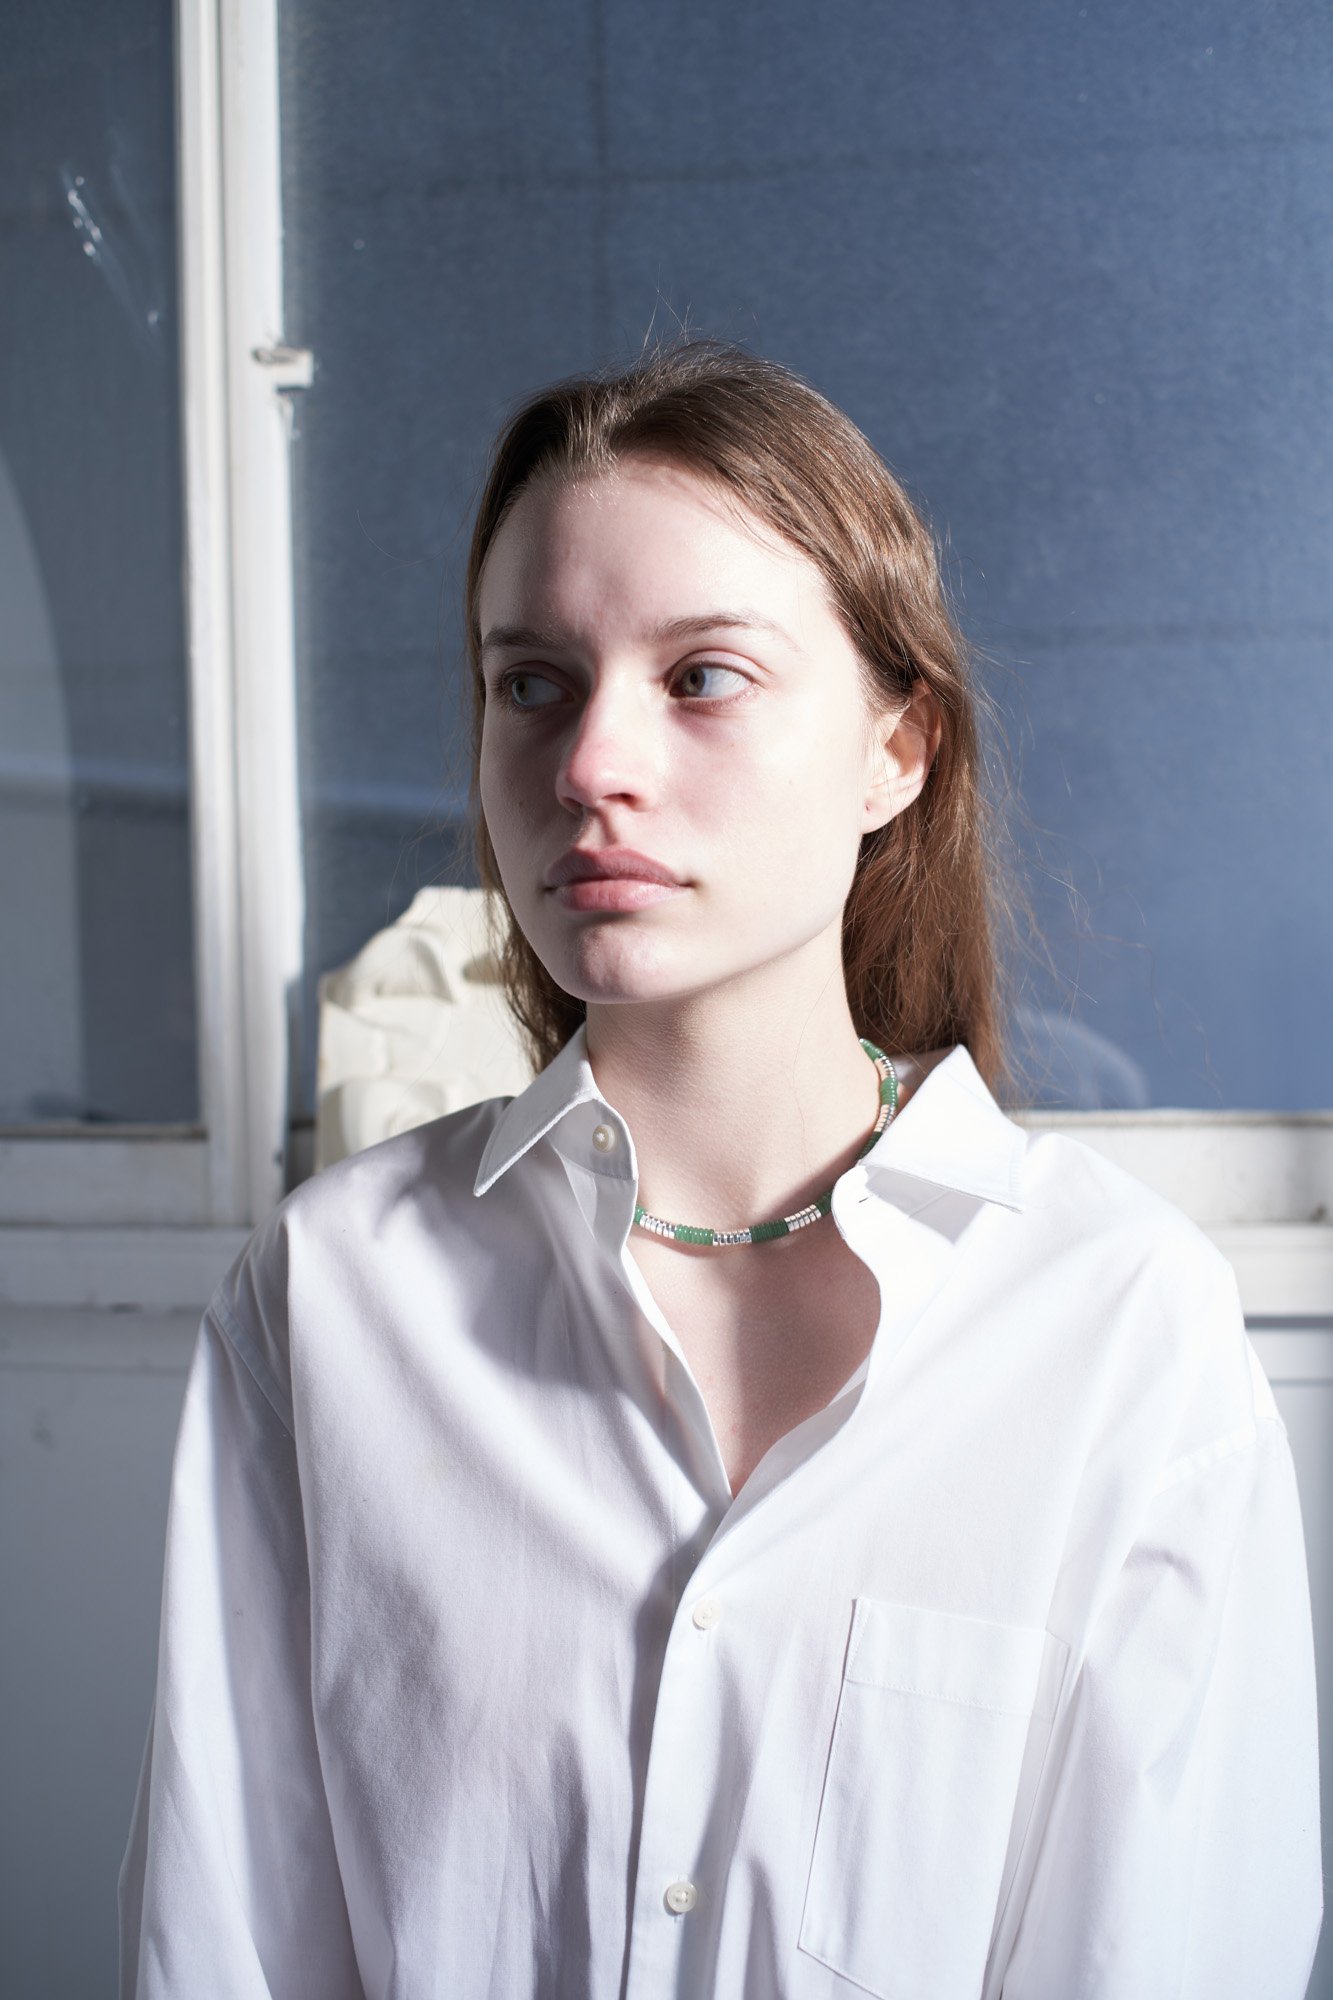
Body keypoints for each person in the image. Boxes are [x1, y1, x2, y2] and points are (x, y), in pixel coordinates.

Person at [118, 339, 1323, 1998]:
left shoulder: (1117, 1328)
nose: (588, 767)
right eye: (530, 684)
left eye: (701, 677)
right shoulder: (331, 1297)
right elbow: (221, 1941)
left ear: (897, 749)